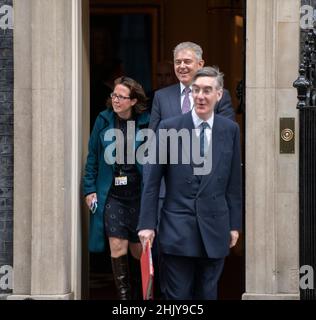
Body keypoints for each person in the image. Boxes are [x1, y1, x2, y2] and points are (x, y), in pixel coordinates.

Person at [138, 66, 242, 300]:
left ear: (219, 94)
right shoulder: (169, 127)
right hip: (177, 229)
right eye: (196, 90)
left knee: (208, 294)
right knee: (178, 297)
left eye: (207, 90)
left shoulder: (230, 130)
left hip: (216, 229)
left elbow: (233, 183)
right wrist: (146, 224)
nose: (201, 96)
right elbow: (152, 181)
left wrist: (234, 224)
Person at [83, 76, 150, 300]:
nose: (116, 100)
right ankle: (125, 301)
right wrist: (89, 188)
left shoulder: (146, 122)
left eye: (121, 97)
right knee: (117, 246)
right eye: (114, 95)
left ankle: (142, 298)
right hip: (113, 195)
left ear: (133, 101)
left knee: (137, 250)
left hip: (139, 195)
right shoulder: (103, 120)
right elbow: (92, 157)